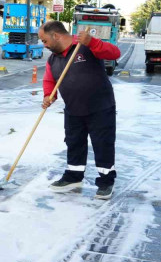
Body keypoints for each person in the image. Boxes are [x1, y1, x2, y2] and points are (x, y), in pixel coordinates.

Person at [39, 21, 121, 200]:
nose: (44, 45)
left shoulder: (85, 46)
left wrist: (93, 42)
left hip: (100, 107)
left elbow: (115, 53)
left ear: (56, 36)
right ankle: (73, 177)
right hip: (73, 108)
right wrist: (48, 95)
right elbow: (49, 80)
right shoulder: (53, 59)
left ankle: (106, 181)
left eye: (45, 41)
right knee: (74, 143)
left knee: (103, 145)